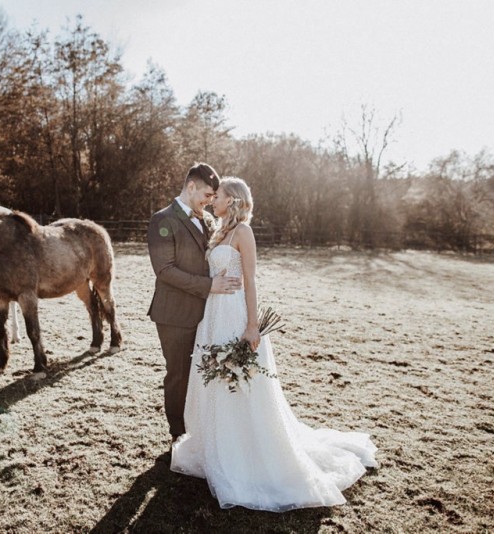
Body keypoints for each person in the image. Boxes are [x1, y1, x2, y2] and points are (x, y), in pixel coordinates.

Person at [170, 177, 378, 511]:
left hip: (235, 314)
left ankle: (247, 453)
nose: (213, 199)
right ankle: (220, 445)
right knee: (215, 379)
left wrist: (252, 326)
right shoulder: (219, 230)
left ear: (233, 200)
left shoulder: (243, 233)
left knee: (240, 384)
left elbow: (250, 280)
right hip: (213, 315)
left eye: (218, 195)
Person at [147, 163, 242, 445]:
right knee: (178, 374)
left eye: (214, 197)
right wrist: (209, 285)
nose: (210, 201)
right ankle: (178, 433)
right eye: (207, 194)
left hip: (208, 312)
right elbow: (164, 270)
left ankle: (201, 429)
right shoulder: (162, 220)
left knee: (203, 372)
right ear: (191, 187)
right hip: (174, 314)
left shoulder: (208, 221)